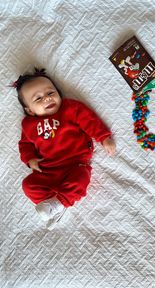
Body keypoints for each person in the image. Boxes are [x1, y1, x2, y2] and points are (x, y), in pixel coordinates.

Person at [14, 68, 116, 230]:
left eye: (50, 92)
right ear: (30, 110)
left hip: (74, 164)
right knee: (29, 185)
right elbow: (25, 145)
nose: (47, 99)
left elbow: (90, 121)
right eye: (38, 98)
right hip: (46, 170)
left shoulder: (70, 109)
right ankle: (55, 204)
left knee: (81, 178)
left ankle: (59, 203)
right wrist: (30, 159)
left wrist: (104, 137)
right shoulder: (28, 125)